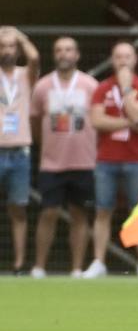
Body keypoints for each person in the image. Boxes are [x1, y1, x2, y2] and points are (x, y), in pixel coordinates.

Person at [30, 36, 98, 279]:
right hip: (52, 162)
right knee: (48, 212)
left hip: (84, 161)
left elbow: (99, 119)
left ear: (77, 55)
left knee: (80, 214)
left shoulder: (90, 85)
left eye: (68, 49)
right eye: (59, 50)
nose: (64, 54)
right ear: (54, 54)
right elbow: (35, 121)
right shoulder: (43, 86)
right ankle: (39, 267)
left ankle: (77, 269)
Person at [87, 41, 138, 280]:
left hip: (135, 159)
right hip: (106, 158)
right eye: (119, 57)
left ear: (135, 59)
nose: (123, 61)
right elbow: (97, 121)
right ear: (112, 60)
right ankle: (98, 261)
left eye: (127, 56)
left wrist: (126, 91)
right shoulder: (102, 88)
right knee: (103, 209)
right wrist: (131, 123)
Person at [0, 26, 39, 275]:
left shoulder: (26, 75)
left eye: (11, 46)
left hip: (20, 151)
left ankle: (19, 263)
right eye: (2, 46)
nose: (7, 50)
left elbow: (34, 57)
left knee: (18, 208)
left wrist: (19, 35)